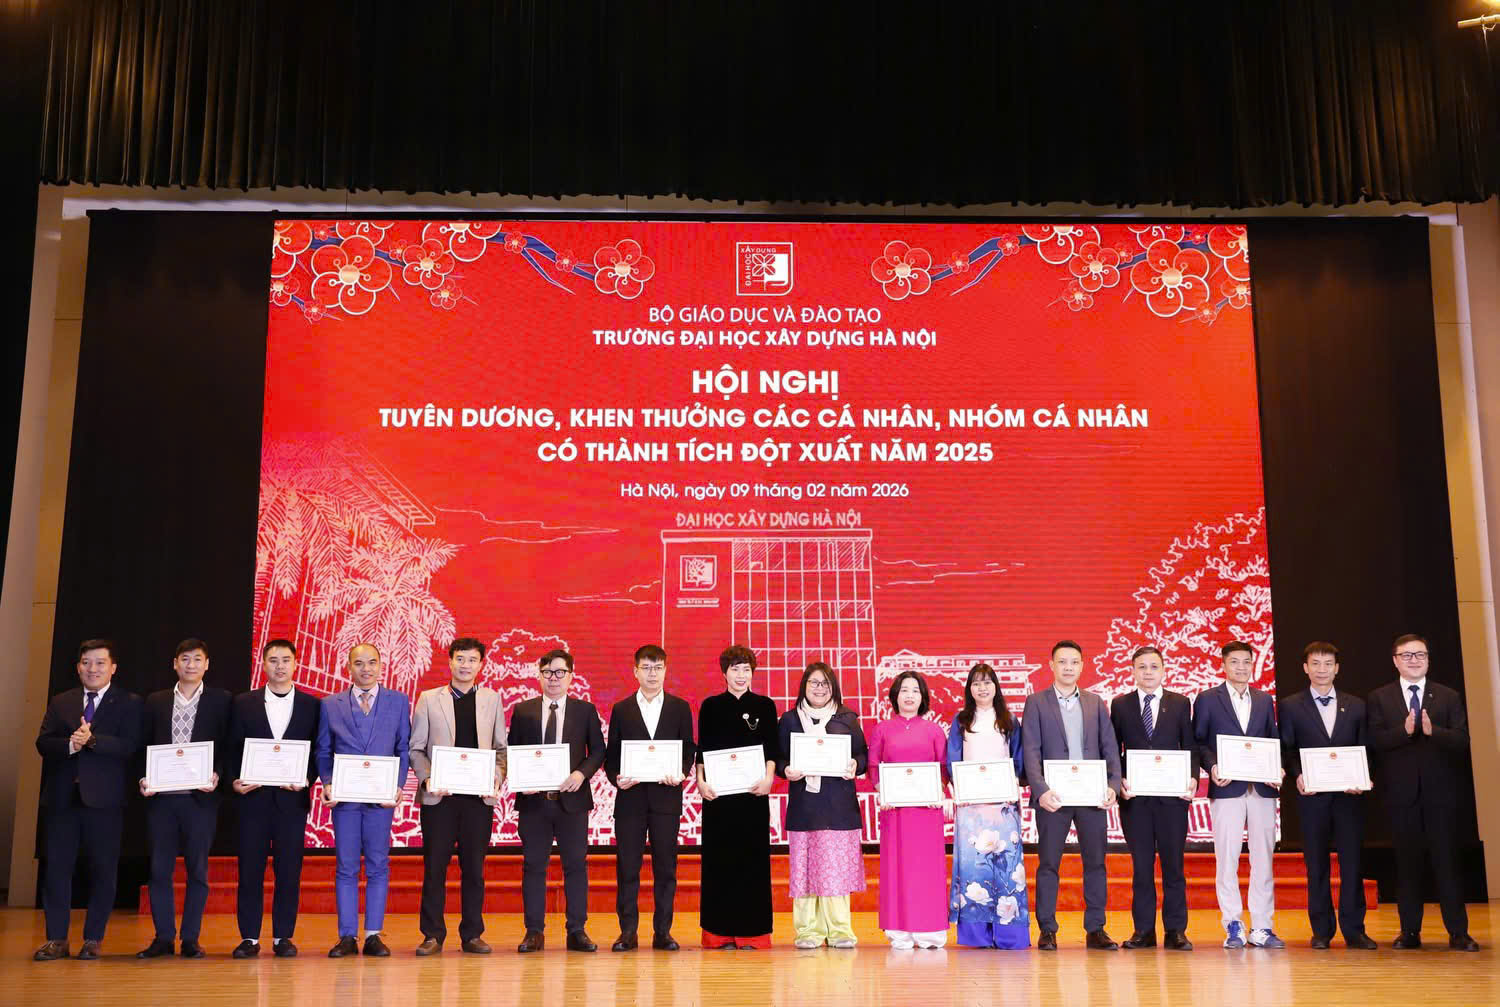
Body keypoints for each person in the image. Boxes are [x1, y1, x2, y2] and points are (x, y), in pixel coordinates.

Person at [1367, 634, 1479, 951]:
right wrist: (1402, 732)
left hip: (1441, 796)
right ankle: (1410, 932)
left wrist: (1434, 732)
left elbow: (1462, 740)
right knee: (1407, 865)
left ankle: (1458, 932)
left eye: (1420, 654)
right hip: (1401, 797)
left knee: (1447, 864)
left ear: (1428, 659)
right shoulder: (1380, 698)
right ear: (1395, 660)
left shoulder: (1448, 696)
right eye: (1407, 655)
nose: (1414, 660)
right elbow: (1373, 742)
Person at [33, 639, 143, 961]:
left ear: (113, 668)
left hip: (105, 802)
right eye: (86, 663)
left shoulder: (129, 703)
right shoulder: (61, 701)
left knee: (103, 871)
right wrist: (71, 744)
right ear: (78, 667)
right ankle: (56, 939)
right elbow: (43, 743)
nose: (92, 669)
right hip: (62, 800)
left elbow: (130, 746)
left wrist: (93, 741)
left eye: (99, 663)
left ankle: (93, 939)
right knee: (57, 870)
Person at [410, 636, 508, 955]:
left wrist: (495, 778)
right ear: (450, 661)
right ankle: (432, 935)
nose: (466, 665)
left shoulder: (492, 699)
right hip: (440, 799)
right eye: (460, 659)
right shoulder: (428, 699)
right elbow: (416, 749)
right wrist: (428, 779)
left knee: (474, 870)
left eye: (472, 660)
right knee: (434, 868)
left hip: (478, 800)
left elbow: (501, 750)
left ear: (481, 665)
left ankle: (472, 934)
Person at [1022, 640, 1122, 950]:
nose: (1068, 667)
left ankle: (1096, 929)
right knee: (1048, 864)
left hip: (1091, 796)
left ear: (1081, 666)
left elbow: (1109, 747)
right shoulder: (1036, 702)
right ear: (1051, 665)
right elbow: (1031, 750)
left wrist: (1113, 784)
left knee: (1096, 863)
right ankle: (1047, 929)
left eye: (1074, 662)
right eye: (1062, 662)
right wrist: (1040, 790)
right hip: (1053, 798)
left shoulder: (1095, 702)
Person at [137, 638, 232, 959]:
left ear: (207, 664)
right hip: (162, 799)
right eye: (185, 659)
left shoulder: (221, 700)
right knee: (159, 870)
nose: (191, 665)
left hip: (199, 799)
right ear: (175, 664)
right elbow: (142, 745)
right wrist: (143, 777)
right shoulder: (156, 701)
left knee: (198, 871)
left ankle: (191, 938)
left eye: (197, 659)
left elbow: (228, 745)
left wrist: (217, 773)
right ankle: (163, 937)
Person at [1279, 641, 1376, 950]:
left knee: (1352, 863)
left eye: (1328, 664)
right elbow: (1287, 749)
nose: (1322, 669)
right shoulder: (1290, 705)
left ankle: (1355, 930)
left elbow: (1366, 748)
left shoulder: (1357, 705)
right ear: (1305, 668)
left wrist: (1362, 777)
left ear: (1337, 668)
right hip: (1313, 797)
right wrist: (1298, 774)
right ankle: (1321, 930)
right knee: (1316, 864)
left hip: (1349, 797)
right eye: (1316, 663)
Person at [315, 642, 410, 958]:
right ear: (348, 667)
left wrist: (397, 785)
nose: (365, 669)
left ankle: (373, 935)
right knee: (345, 866)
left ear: (381, 666)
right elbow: (324, 750)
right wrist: (328, 782)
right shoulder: (330, 704)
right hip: (345, 799)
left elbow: (403, 748)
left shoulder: (398, 701)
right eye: (359, 663)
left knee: (378, 865)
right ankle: (346, 936)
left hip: (380, 799)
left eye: (371, 662)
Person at [227, 638, 320, 958]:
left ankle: (283, 937)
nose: (280, 666)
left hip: (291, 802)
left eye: (286, 660)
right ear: (263, 664)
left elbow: (318, 751)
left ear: (296, 664)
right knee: (249, 871)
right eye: (273, 660)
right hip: (252, 800)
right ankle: (249, 937)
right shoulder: (243, 703)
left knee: (289, 871)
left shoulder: (312, 705)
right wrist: (234, 781)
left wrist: (306, 778)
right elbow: (232, 747)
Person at [507, 648, 605, 953]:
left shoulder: (584, 710)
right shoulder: (523, 710)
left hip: (572, 802)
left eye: (560, 672)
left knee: (575, 866)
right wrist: (521, 781)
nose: (553, 678)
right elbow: (512, 752)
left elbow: (598, 751)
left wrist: (581, 773)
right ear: (539, 676)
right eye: (547, 672)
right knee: (533, 866)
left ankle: (577, 930)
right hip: (534, 803)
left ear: (571, 676)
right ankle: (534, 931)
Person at [1193, 639, 1285, 949]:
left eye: (1246, 662)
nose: (1241, 667)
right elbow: (1199, 742)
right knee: (1227, 859)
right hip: (1227, 788)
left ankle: (1262, 926)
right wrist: (1212, 766)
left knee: (1263, 859)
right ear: (1223, 665)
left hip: (1262, 789)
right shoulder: (1208, 699)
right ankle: (1233, 924)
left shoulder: (1264, 699)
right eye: (1234, 662)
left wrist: (1276, 768)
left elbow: (1272, 740)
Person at [605, 644, 696, 952]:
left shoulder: (679, 707)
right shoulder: (621, 708)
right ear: (635, 671)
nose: (652, 673)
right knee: (627, 868)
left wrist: (681, 772)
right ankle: (627, 932)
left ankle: (663, 932)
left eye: (657, 668)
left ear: (665, 671)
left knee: (666, 869)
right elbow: (612, 755)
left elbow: (688, 748)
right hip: (630, 801)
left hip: (666, 799)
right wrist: (617, 778)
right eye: (646, 667)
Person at [1110, 646, 1197, 951]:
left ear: (1163, 670)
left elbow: (1190, 745)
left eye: (1154, 666)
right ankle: (1143, 931)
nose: (1148, 672)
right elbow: (1114, 748)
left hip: (1172, 799)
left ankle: (1176, 931)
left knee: (1174, 866)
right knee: (1142, 867)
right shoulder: (1120, 704)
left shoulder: (1180, 703)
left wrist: (1192, 778)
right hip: (1135, 800)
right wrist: (1118, 779)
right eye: (1142, 667)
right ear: (1133, 671)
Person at [778, 661, 867, 950]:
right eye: (814, 682)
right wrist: (785, 769)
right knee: (804, 870)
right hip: (804, 806)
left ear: (834, 687)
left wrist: (855, 764)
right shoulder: (789, 720)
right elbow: (778, 758)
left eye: (825, 683)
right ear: (804, 686)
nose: (819, 688)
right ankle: (808, 931)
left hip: (838, 806)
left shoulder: (847, 718)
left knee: (835, 870)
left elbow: (863, 756)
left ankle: (840, 930)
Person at [695, 645, 778, 949]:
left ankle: (752, 933)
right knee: (719, 862)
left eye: (746, 669)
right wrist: (700, 782)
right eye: (735, 669)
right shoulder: (711, 706)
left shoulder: (765, 706)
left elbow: (771, 748)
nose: (741, 675)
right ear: (724, 673)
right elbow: (702, 749)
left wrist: (769, 778)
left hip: (753, 796)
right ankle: (718, 934)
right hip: (718, 798)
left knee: (752, 862)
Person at [945, 663, 1029, 949]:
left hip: (1003, 807)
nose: (982, 688)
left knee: (1007, 870)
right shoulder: (961, 721)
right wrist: (960, 785)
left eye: (987, 682)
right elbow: (953, 760)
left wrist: (1011, 783)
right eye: (976, 683)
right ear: (969, 689)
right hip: (971, 808)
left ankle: (1009, 935)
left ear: (996, 686)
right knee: (973, 869)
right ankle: (976, 935)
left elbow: (1018, 760)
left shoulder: (1009, 720)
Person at [869, 670, 948, 949]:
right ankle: (899, 931)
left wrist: (938, 790)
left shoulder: (934, 730)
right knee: (897, 868)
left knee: (927, 869)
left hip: (927, 811)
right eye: (904, 690)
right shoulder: (882, 729)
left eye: (915, 690)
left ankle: (930, 930)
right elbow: (873, 766)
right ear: (895, 696)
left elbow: (943, 767)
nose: (909, 696)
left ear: (923, 697)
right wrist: (883, 790)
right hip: (895, 811)